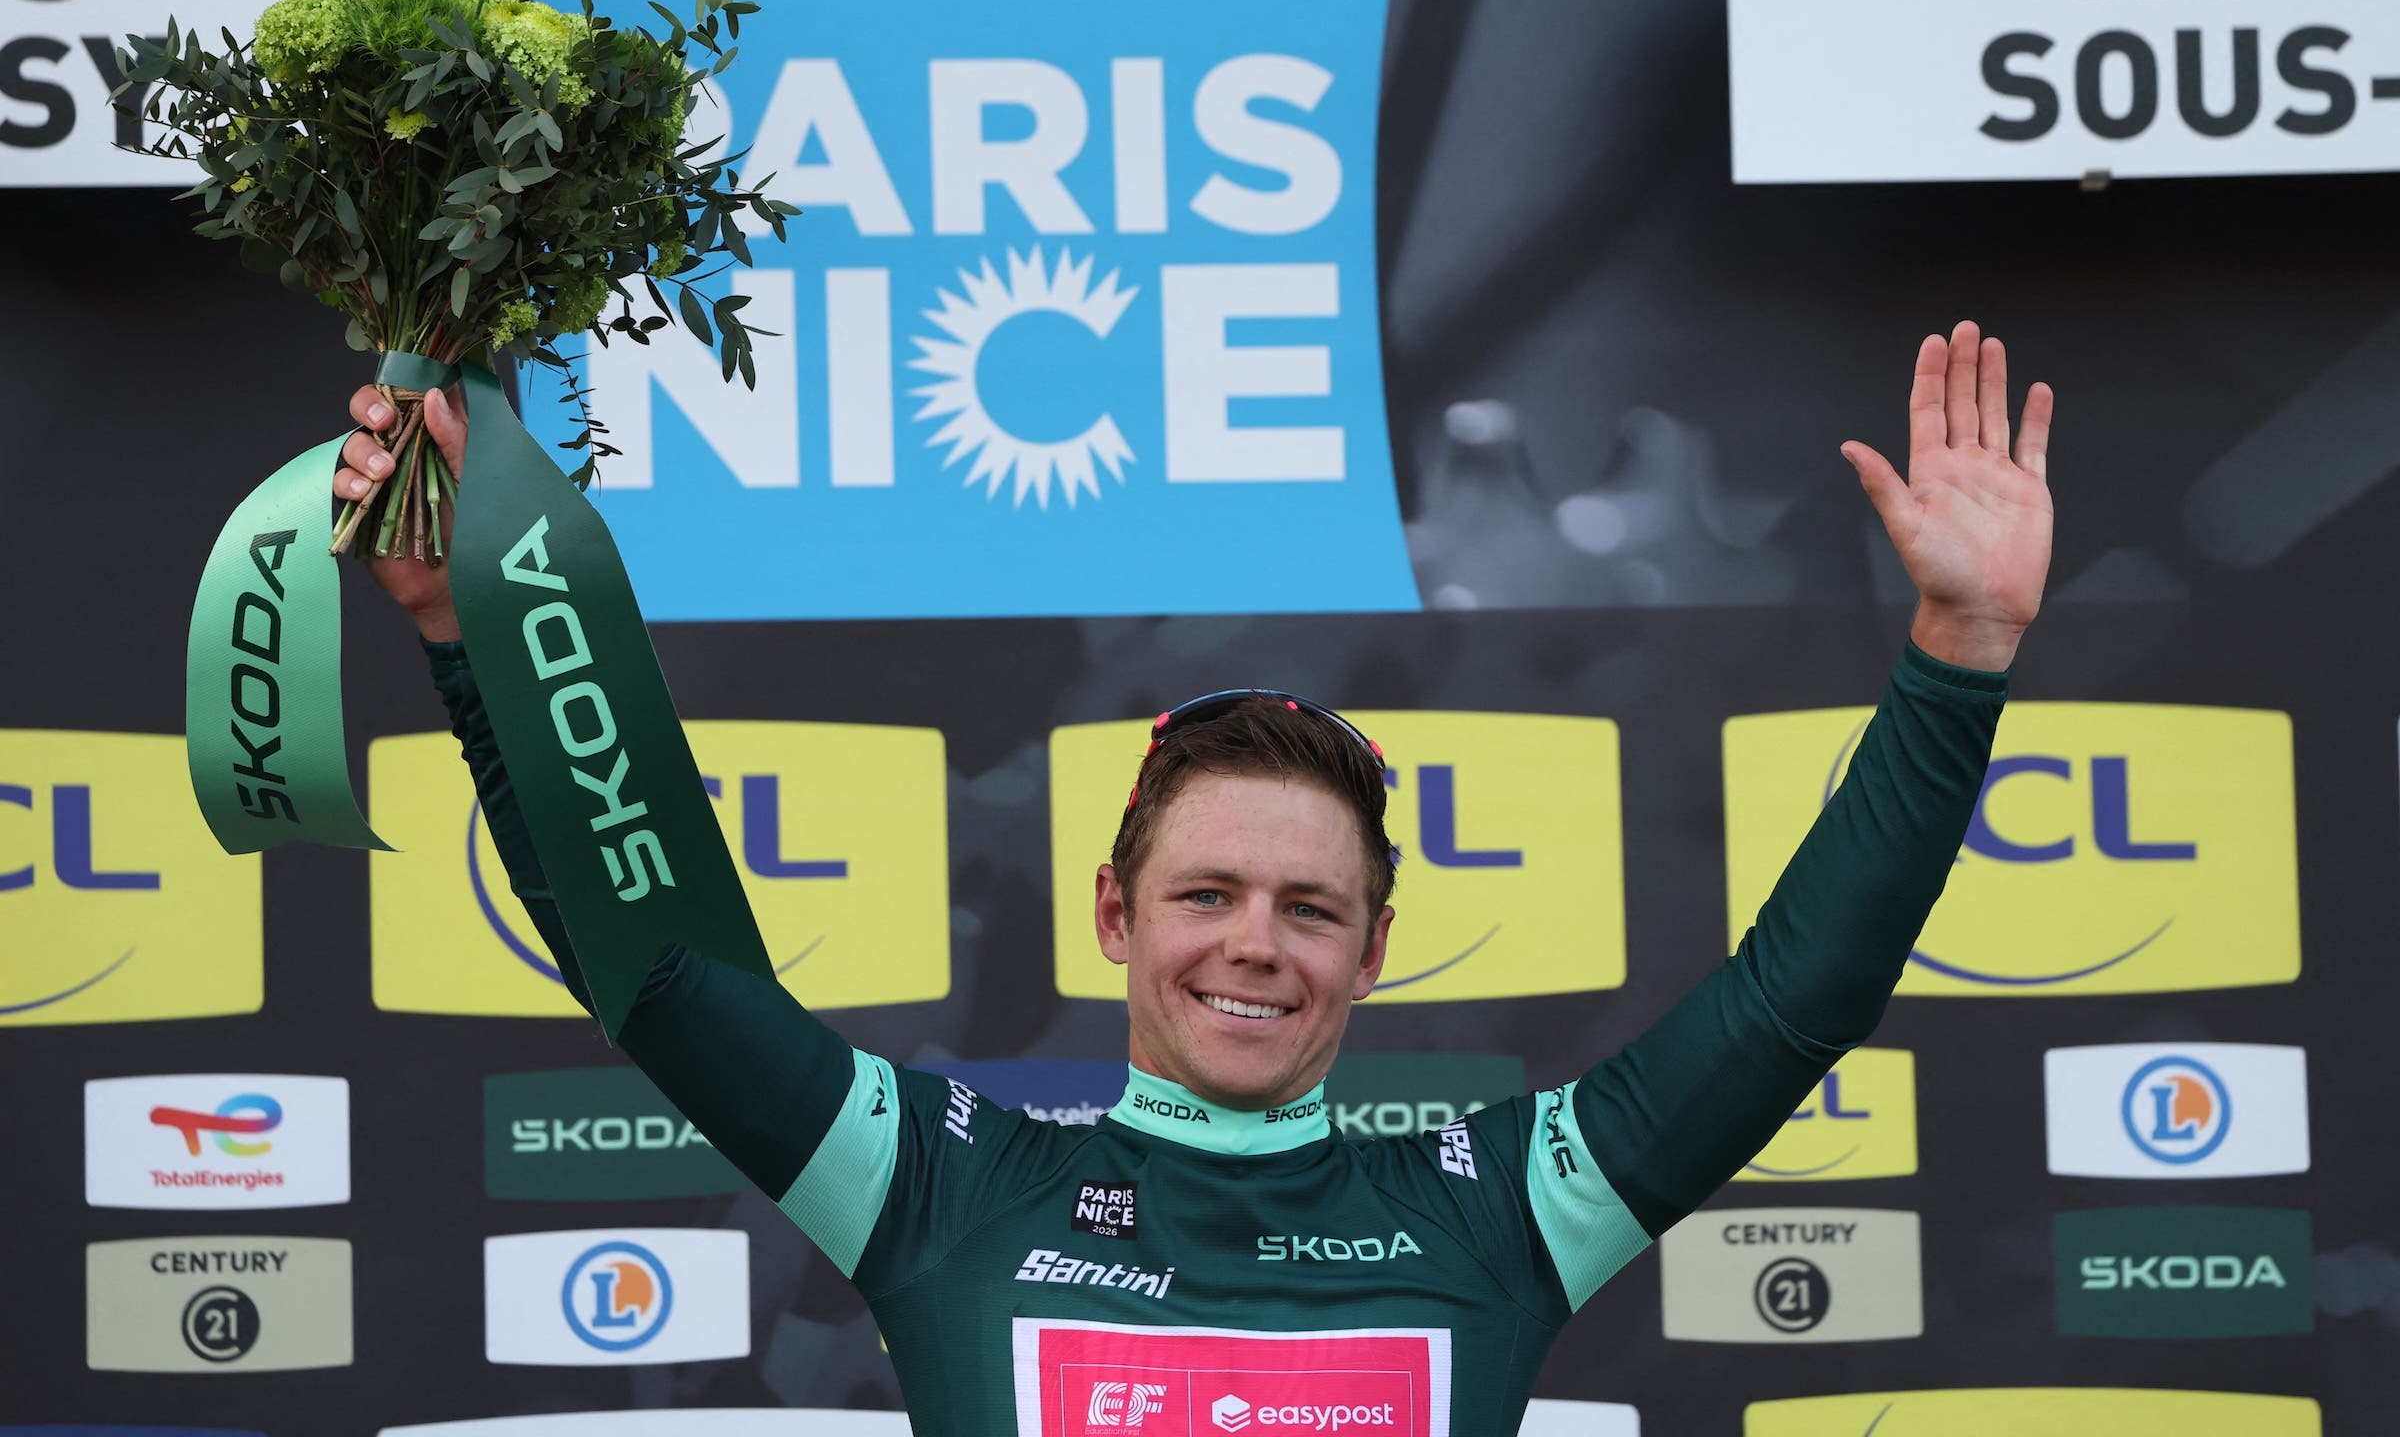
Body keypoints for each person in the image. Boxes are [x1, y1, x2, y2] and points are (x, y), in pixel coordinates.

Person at [339, 322, 2051, 1431]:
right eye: (1208, 894)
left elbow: (1798, 994)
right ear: (1113, 917)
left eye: (1311, 909)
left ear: (1375, 952)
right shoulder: (942, 1185)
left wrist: (1959, 651)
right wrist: (471, 635)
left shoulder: (1498, 1205)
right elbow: (658, 978)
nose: (1257, 946)